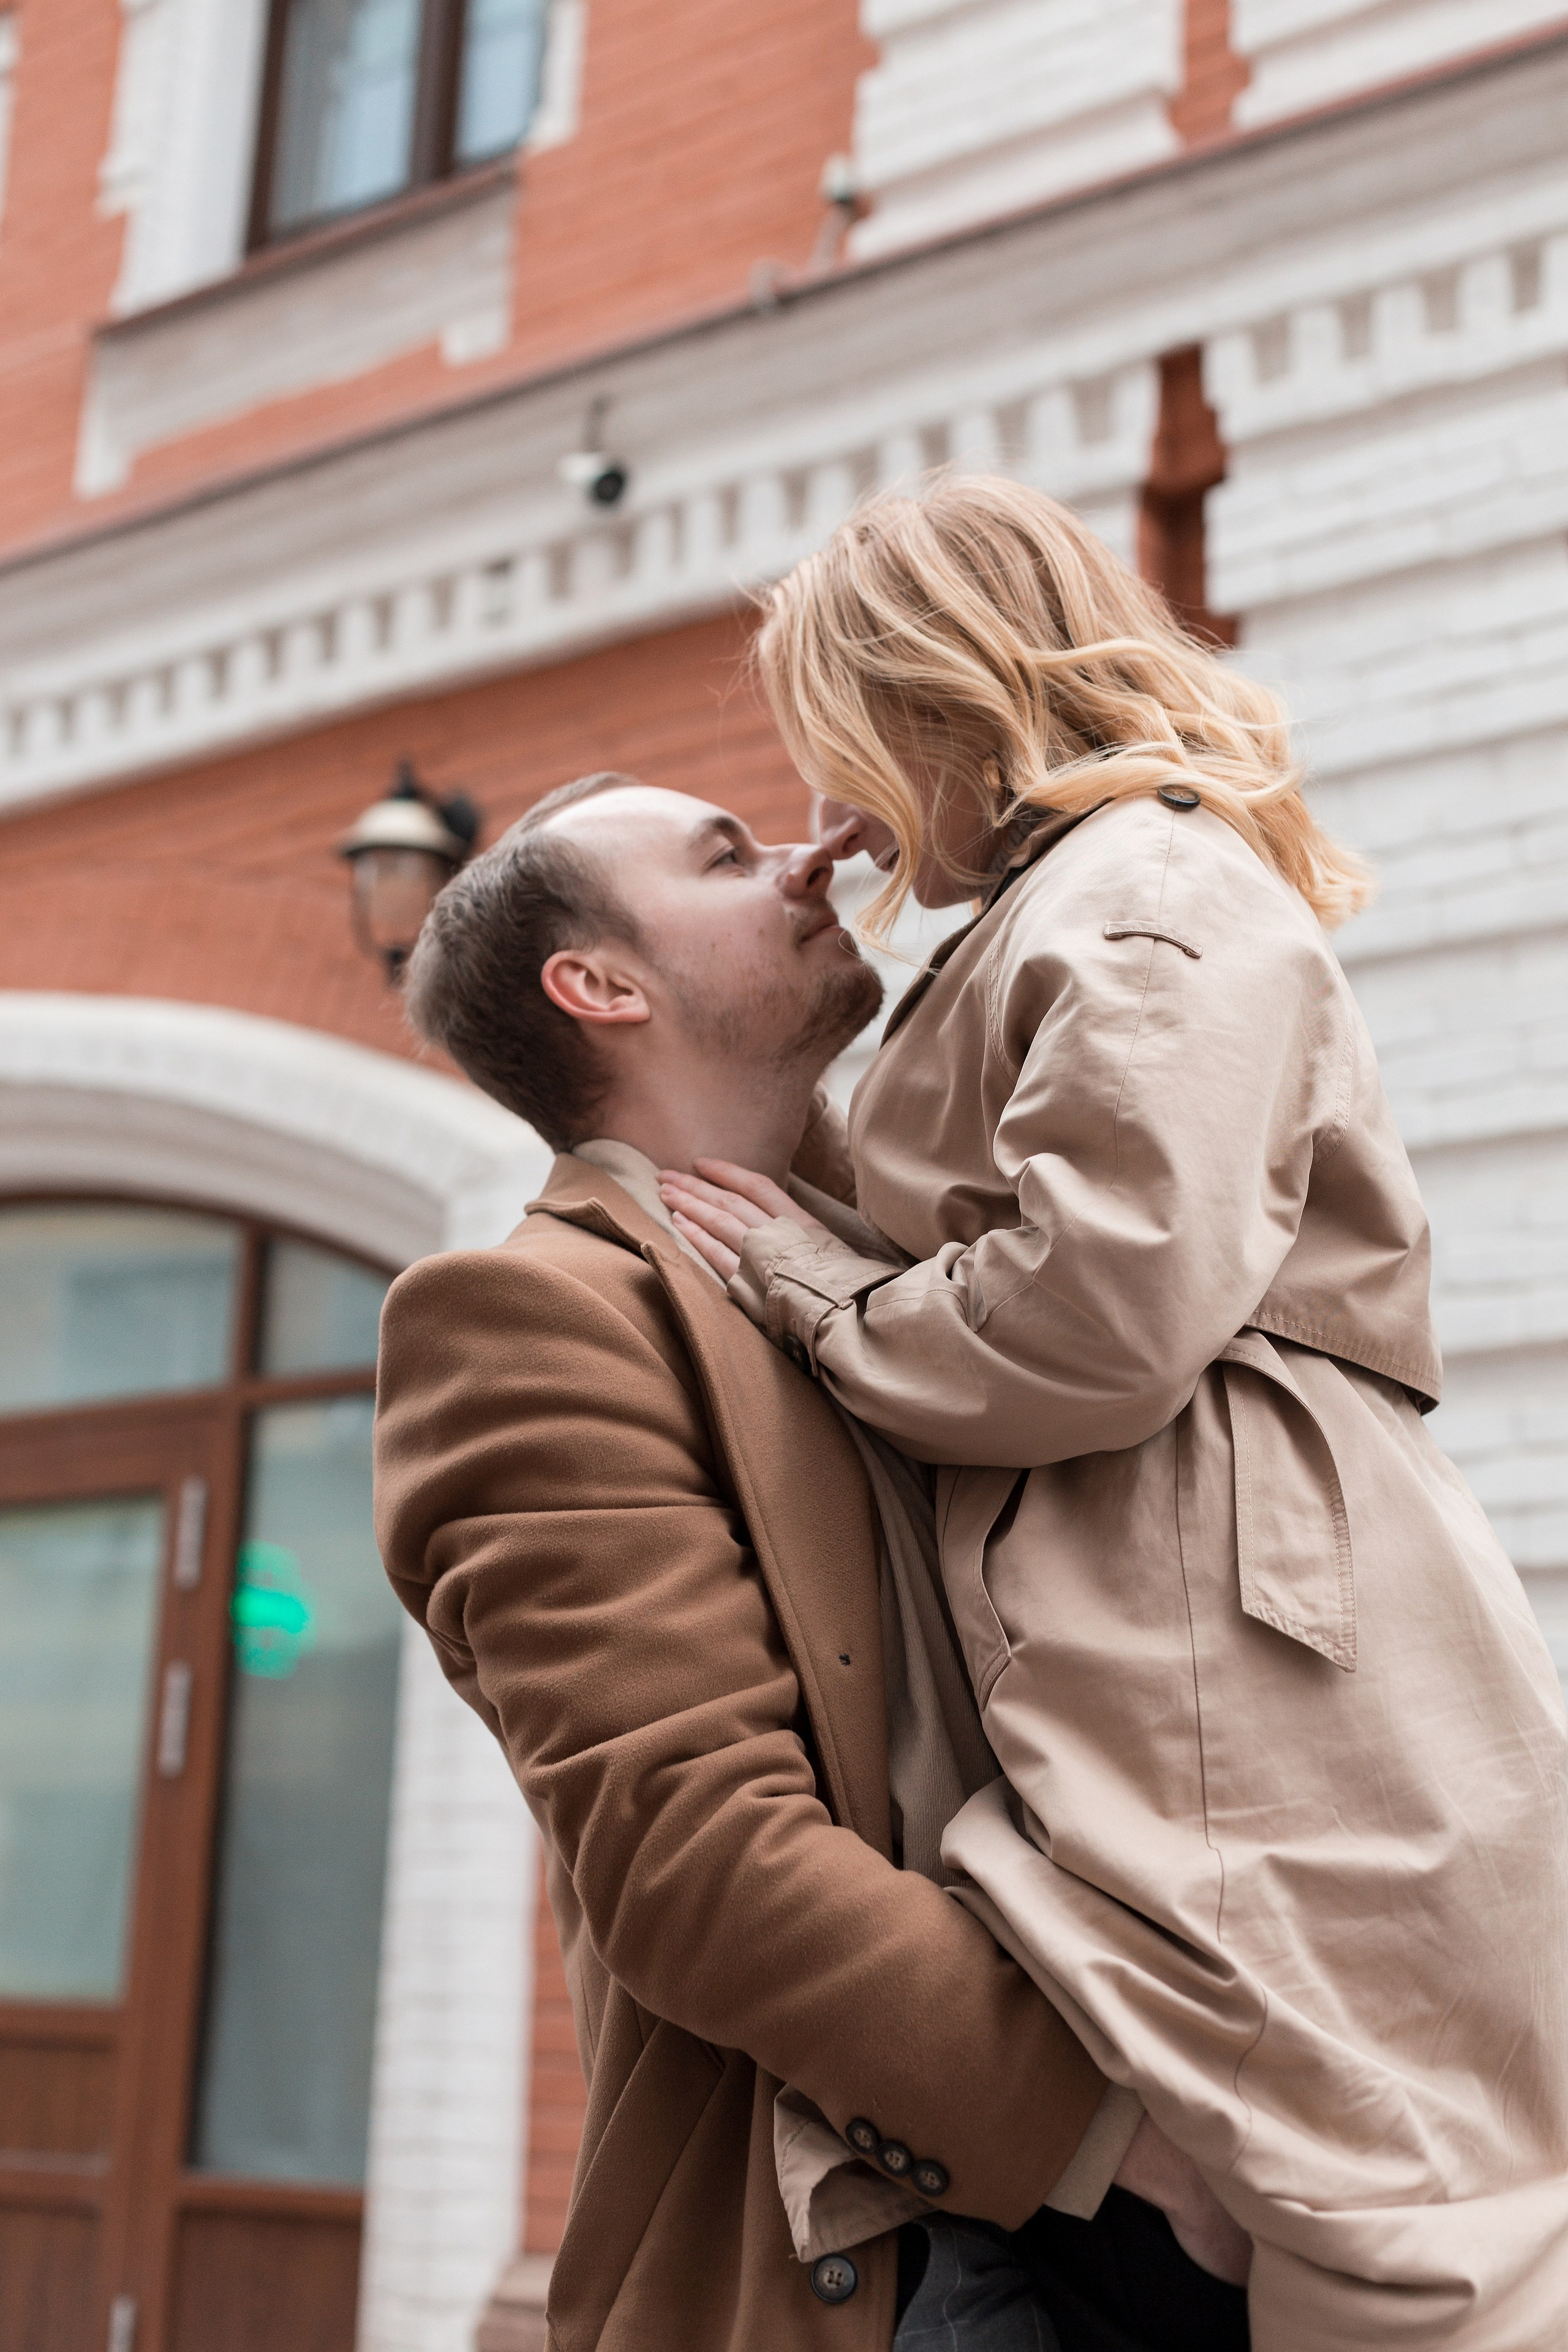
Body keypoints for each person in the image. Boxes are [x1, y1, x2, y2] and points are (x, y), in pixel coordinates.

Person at [658, 477, 1568, 2351]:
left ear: (937, 696)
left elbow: (1102, 1299)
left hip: (1220, 1599)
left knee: (1356, 2203)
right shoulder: (1074, 903)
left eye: (839, 747)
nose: (829, 813)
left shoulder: (1143, 888)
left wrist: (823, 1290)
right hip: (1180, 1589)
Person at [374, 771, 1250, 2352]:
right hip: (929, 2253)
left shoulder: (932, 1255)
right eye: (729, 854)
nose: (812, 856)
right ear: (603, 986)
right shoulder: (529, 1320)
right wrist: (1127, 2145)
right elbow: (697, 1859)